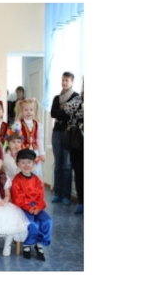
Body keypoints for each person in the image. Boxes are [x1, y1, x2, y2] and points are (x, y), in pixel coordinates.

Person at [10, 149, 52, 260]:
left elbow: (40, 197)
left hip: (37, 207)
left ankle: (40, 243)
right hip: (23, 207)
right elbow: (17, 198)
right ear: (18, 164)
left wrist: (37, 207)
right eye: (23, 162)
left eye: (29, 162)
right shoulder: (17, 180)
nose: (26, 165)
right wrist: (29, 208)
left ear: (33, 163)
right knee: (31, 223)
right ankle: (27, 243)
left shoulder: (37, 180)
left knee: (47, 221)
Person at [50, 72, 78, 205]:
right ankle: (57, 193)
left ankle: (66, 195)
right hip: (57, 133)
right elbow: (53, 113)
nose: (64, 82)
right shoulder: (57, 98)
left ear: (72, 82)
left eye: (67, 80)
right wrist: (64, 112)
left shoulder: (76, 97)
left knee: (67, 165)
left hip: (69, 134)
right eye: (63, 80)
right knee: (58, 165)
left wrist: (61, 114)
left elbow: (71, 115)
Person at [62, 78, 84, 215]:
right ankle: (81, 201)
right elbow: (65, 108)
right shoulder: (78, 99)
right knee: (79, 173)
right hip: (77, 143)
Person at [16, 98, 45, 178]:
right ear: (22, 111)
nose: (28, 112)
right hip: (23, 152)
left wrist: (42, 153)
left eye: (31, 110)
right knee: (24, 172)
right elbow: (16, 140)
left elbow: (39, 140)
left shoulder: (38, 125)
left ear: (34, 111)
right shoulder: (18, 124)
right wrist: (16, 152)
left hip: (35, 152)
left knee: (34, 174)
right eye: (26, 110)